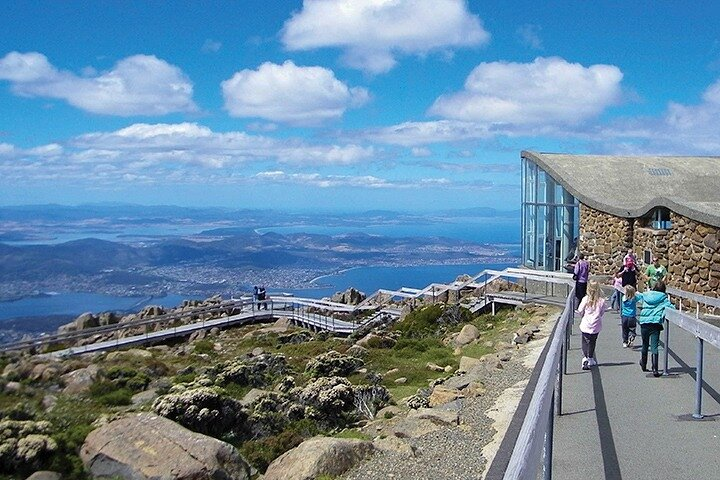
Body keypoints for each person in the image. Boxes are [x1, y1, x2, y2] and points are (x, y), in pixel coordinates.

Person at [638, 281, 675, 377]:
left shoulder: (646, 295)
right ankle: (655, 369)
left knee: (645, 344)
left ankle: (644, 364)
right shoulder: (663, 298)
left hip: (644, 322)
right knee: (654, 346)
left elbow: (637, 297)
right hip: (655, 323)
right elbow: (671, 307)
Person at [576, 280, 608, 370]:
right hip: (596, 325)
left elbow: (580, 310)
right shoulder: (601, 301)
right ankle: (590, 358)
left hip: (586, 324)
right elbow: (602, 312)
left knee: (585, 341)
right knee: (592, 342)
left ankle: (585, 357)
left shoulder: (586, 299)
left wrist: (582, 315)